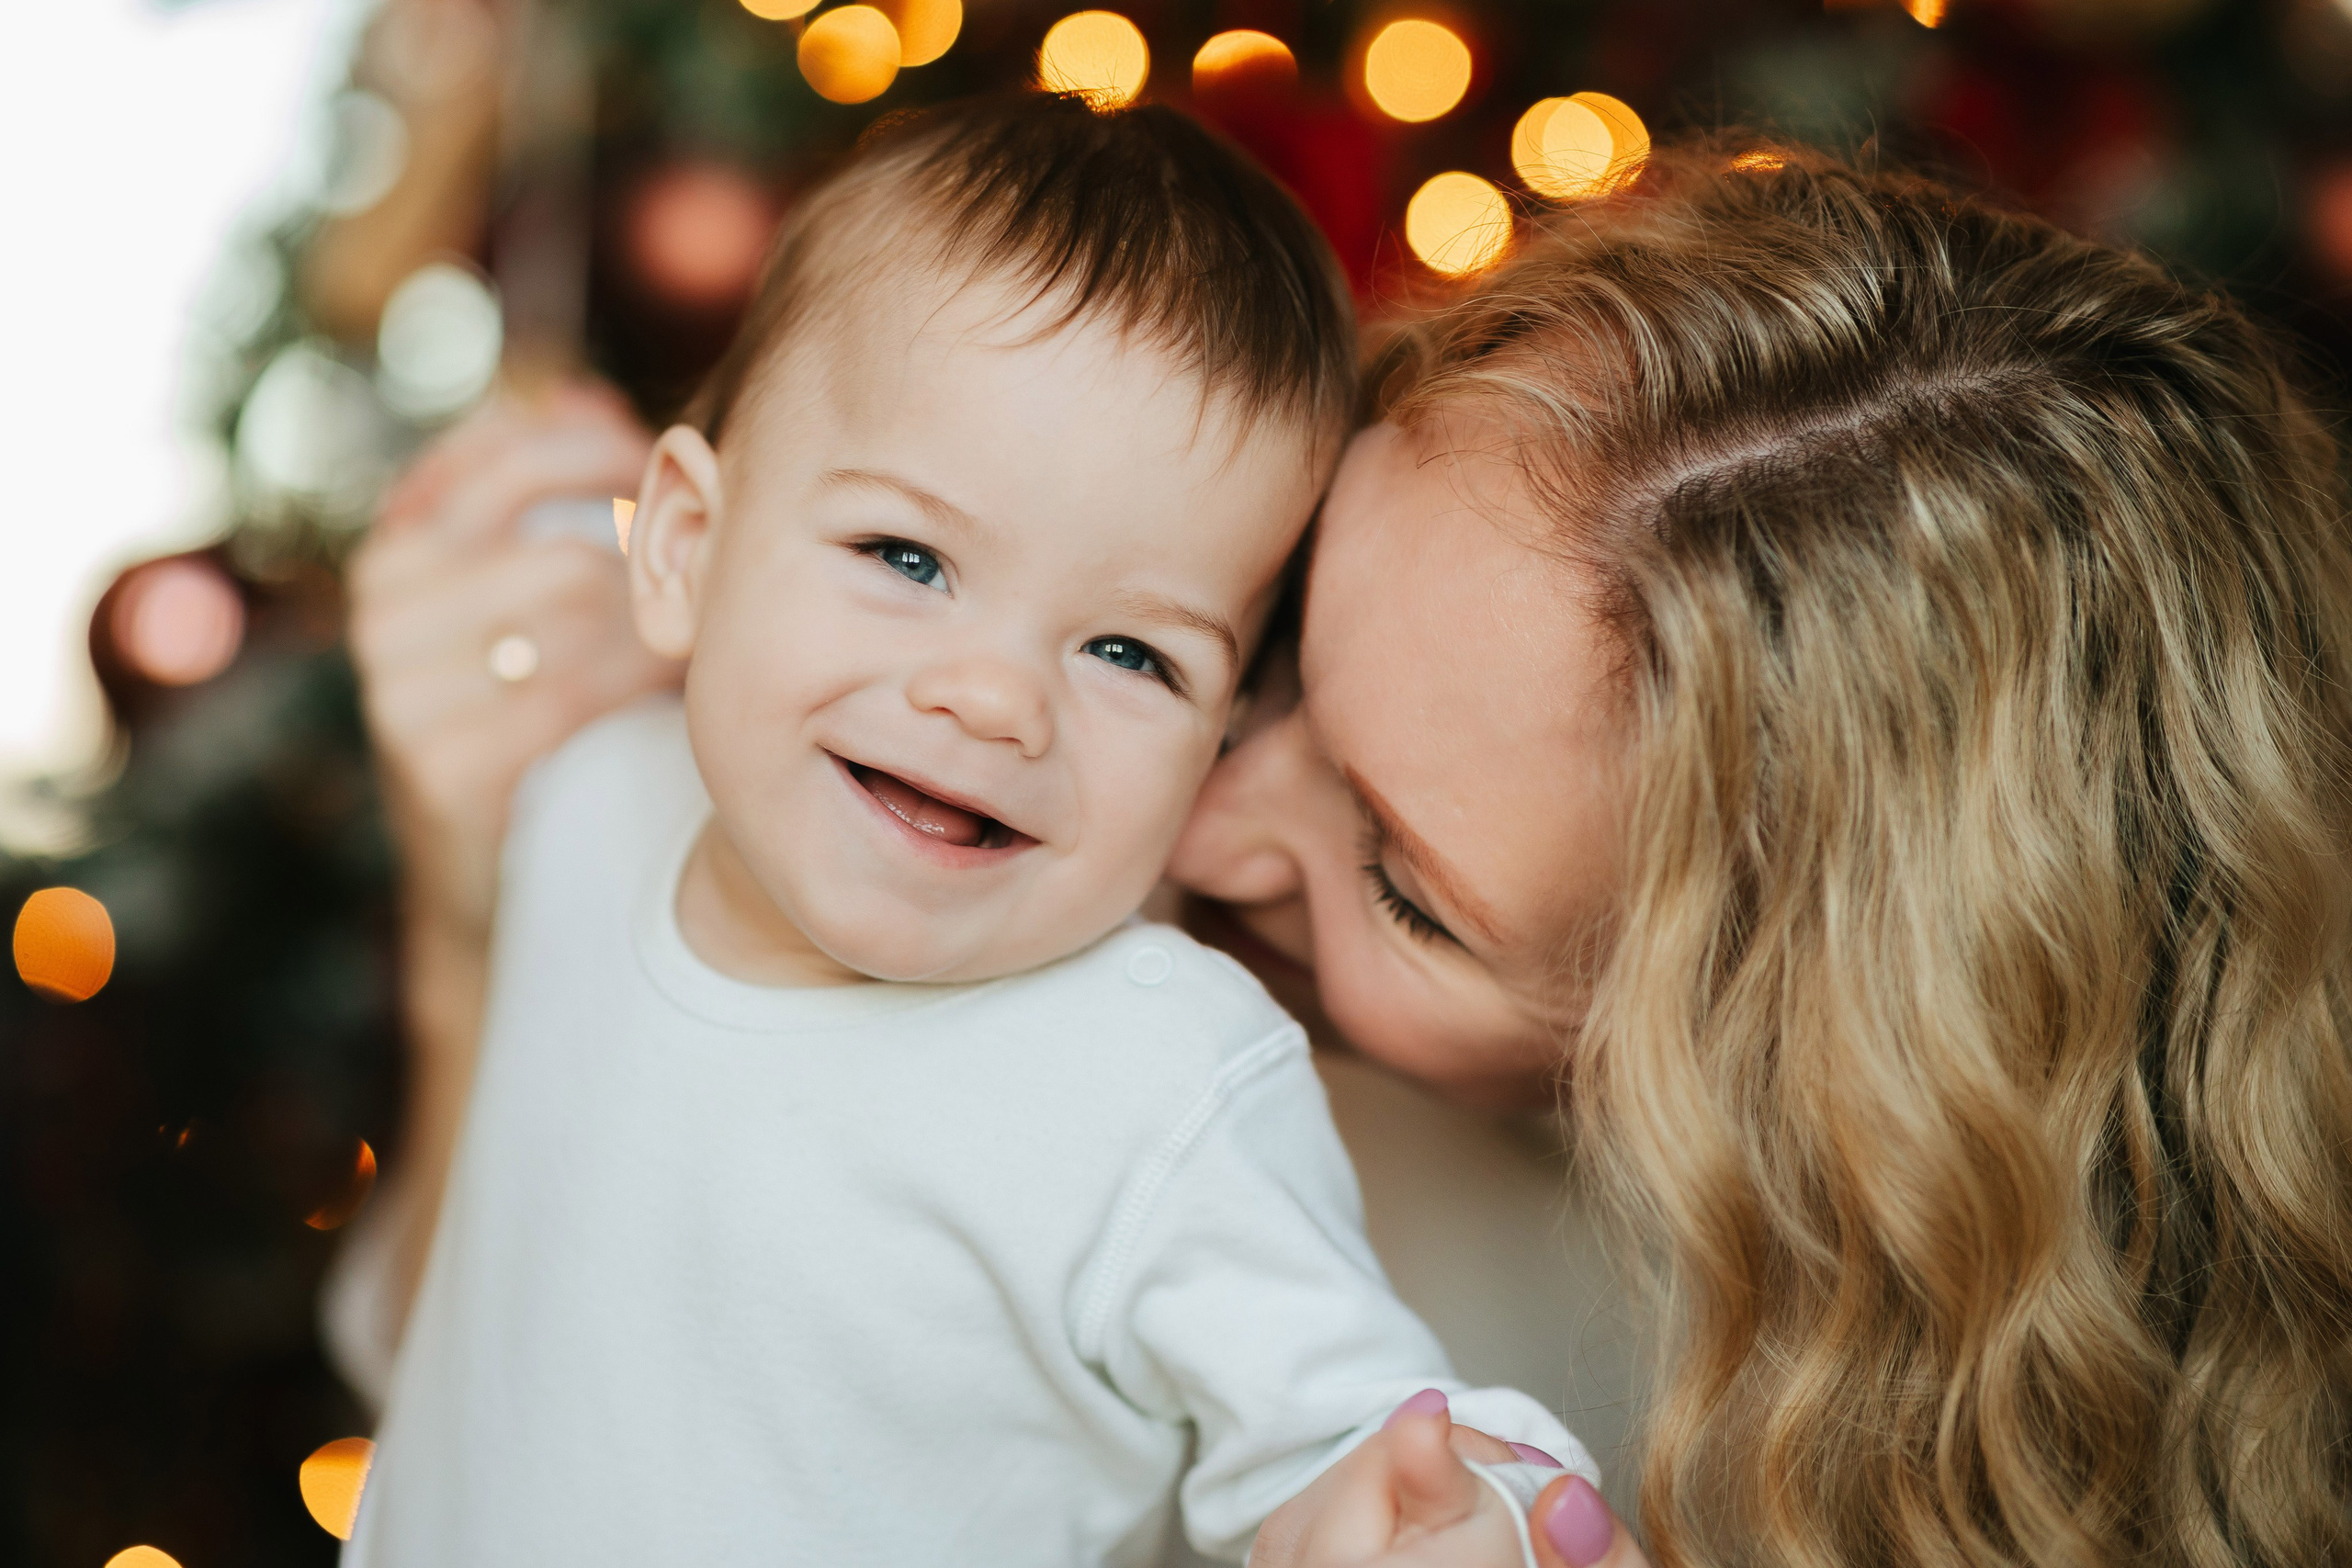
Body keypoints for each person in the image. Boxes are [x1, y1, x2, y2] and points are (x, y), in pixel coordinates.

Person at [340, 136, 2352, 1568]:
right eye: (1277, 644)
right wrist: (467, 912)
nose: (1196, 819)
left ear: (1759, 1074)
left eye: (1400, 882)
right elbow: (518, 1342)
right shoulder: (844, 834)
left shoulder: (1274, 1196)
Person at [342, 93, 1593, 1568]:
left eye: (1133, 654)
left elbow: (1373, 1429)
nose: (996, 698)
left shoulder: (1161, 1074)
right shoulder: (576, 805)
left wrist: (1480, 1515)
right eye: (907, 555)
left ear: (1216, 734)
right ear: (683, 548)